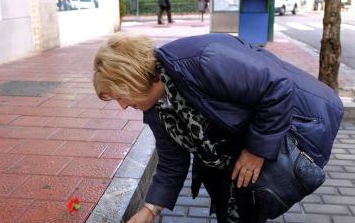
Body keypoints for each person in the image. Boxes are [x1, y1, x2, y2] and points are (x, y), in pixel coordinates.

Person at [93, 33, 343, 223]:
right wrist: (149, 210)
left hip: (299, 122)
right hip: (230, 150)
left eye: (120, 96)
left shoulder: (203, 59)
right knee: (234, 203)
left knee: (250, 204)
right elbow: (172, 162)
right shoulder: (156, 109)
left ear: (133, 77)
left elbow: (277, 87)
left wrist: (256, 151)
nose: (123, 106)